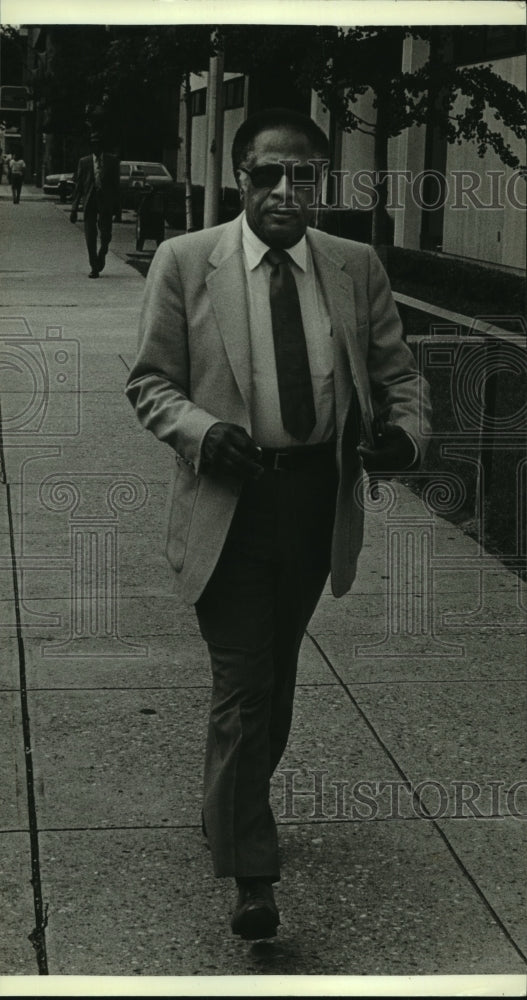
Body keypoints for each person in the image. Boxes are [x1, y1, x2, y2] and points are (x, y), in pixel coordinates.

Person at [125, 107, 432, 941]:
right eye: (266, 174)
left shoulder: (354, 265)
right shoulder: (188, 263)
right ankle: (252, 874)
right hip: (228, 504)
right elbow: (150, 383)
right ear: (239, 178)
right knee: (244, 686)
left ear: (321, 184)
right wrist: (201, 432)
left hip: (309, 505)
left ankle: (226, 808)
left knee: (275, 680)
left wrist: (403, 433)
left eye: (303, 176)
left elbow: (395, 375)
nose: (285, 192)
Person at [69, 130, 120, 278]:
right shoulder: (84, 162)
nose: (95, 147)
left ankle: (103, 252)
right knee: (90, 235)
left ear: (102, 145)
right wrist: (74, 208)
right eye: (93, 144)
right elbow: (78, 187)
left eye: (98, 144)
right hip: (90, 202)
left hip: (106, 202)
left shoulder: (112, 161)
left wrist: (118, 209)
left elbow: (116, 186)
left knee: (106, 235)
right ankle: (94, 267)